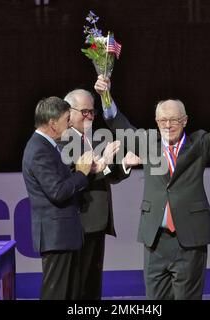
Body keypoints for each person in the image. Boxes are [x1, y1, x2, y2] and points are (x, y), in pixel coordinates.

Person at [94, 75, 210, 300]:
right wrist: (105, 95)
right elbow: (117, 122)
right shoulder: (147, 142)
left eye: (174, 120)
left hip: (189, 239)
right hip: (155, 240)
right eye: (162, 120)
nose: (168, 125)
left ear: (185, 121)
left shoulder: (199, 144)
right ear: (156, 121)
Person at [61, 89, 141, 299]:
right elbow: (71, 179)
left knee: (92, 283)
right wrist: (102, 163)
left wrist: (123, 164)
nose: (90, 116)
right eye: (84, 112)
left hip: (97, 222)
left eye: (92, 112)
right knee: (77, 284)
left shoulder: (95, 138)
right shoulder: (62, 141)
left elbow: (110, 175)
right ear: (68, 112)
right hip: (78, 222)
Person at [22, 96, 99, 300]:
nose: (71, 123)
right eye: (67, 119)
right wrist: (81, 174)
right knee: (57, 293)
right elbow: (57, 191)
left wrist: (84, 171)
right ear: (52, 123)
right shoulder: (39, 149)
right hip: (56, 237)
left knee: (70, 293)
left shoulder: (47, 145)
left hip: (64, 236)